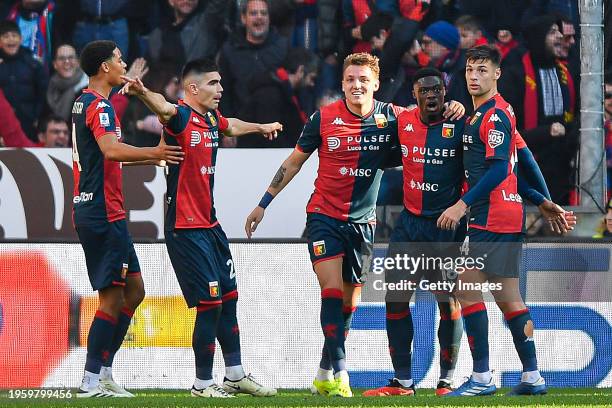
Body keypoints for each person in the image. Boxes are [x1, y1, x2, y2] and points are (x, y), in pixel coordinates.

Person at [244, 53, 464, 398]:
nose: (356, 85)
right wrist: (263, 204)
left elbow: (430, 110)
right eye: (349, 79)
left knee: (349, 304)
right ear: (342, 84)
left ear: (376, 84)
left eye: (363, 80)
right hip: (324, 217)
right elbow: (293, 163)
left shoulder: (394, 118)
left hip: (363, 225)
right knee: (331, 291)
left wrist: (455, 107)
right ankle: (343, 374)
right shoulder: (323, 118)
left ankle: (324, 373)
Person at [120, 58, 281, 398]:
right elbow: (162, 108)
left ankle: (235, 375)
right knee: (210, 303)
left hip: (210, 224)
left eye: (221, 83)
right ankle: (202, 384)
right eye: (213, 83)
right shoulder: (180, 117)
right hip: (184, 228)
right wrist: (142, 91)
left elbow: (231, 126)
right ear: (193, 88)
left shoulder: (209, 119)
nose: (220, 89)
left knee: (230, 297)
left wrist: (260, 126)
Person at [437, 44, 573, 397]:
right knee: (510, 299)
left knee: (465, 286)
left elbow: (500, 169)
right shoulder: (492, 114)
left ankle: (481, 377)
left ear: (497, 74)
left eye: (482, 70)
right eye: (469, 70)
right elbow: (524, 163)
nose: (474, 76)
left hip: (492, 215)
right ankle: (532, 376)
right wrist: (544, 200)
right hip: (508, 213)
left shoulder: (494, 116)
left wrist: (461, 205)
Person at [72, 40, 184, 398]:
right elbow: (110, 149)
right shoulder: (99, 108)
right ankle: (91, 380)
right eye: (119, 59)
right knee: (111, 299)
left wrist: (130, 88)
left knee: (134, 292)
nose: (123, 63)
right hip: (103, 211)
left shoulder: (86, 101)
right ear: (105, 67)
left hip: (105, 211)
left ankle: (104, 370)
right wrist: (155, 152)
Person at [363, 67, 465, 397]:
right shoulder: (403, 121)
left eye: (437, 90)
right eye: (425, 91)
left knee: (447, 301)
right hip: (408, 226)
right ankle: (403, 382)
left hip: (445, 228)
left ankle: (446, 381)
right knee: (394, 299)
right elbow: (371, 109)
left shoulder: (459, 122)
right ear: (415, 96)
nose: (432, 96)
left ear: (445, 93)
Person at [237, 47, 319, 148]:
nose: (312, 84)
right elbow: (270, 136)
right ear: (300, 70)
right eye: (311, 77)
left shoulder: (290, 92)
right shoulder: (270, 94)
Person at [0, 20, 48, 141]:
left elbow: (42, 93)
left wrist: (36, 117)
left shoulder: (33, 64)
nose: (11, 40)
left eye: (14, 36)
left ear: (21, 39)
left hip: (28, 122)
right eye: (6, 36)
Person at [46, 44, 88, 122]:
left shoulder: (89, 88)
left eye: (71, 58)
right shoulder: (49, 86)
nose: (67, 62)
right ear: (55, 64)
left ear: (78, 62)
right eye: (61, 58)